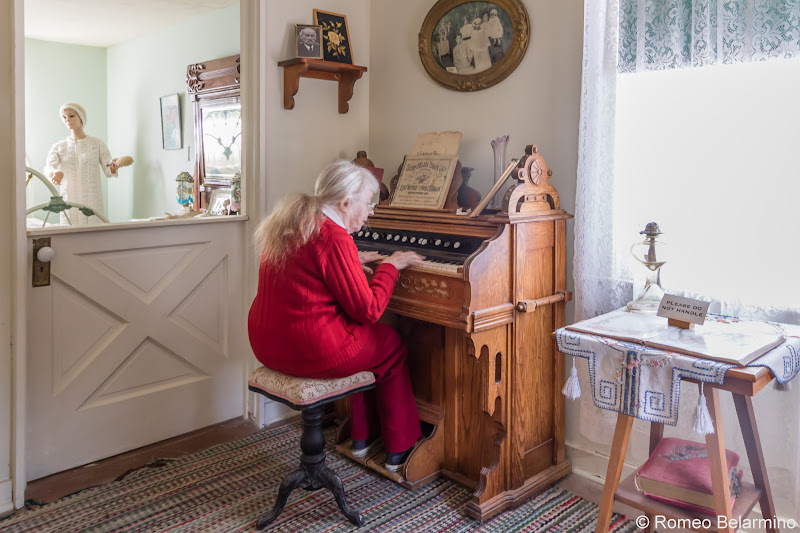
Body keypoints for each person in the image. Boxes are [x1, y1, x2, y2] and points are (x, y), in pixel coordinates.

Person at [248, 161, 425, 472]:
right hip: (310, 351)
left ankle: (362, 438)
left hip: (267, 344)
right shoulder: (334, 236)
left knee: (367, 338)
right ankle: (401, 447)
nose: (371, 211)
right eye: (368, 202)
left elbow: (309, 269)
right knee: (390, 344)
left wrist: (351, 260)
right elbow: (368, 311)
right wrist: (390, 266)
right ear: (345, 202)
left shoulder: (293, 221)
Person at [44, 103, 118, 226]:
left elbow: (108, 170)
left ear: (81, 118)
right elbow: (48, 167)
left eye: (71, 116)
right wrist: (54, 173)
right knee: (70, 238)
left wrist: (113, 167)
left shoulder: (97, 144)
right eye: (64, 117)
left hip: (92, 200)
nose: (67, 120)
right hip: (69, 201)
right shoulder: (59, 146)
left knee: (94, 236)